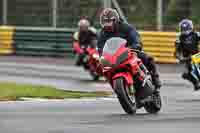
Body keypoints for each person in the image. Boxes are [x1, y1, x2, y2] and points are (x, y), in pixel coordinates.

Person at [97, 8, 161, 90]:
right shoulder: (102, 33)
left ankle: (155, 78)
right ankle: (115, 85)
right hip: (113, 56)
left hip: (129, 51)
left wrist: (136, 45)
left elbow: (135, 37)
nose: (107, 25)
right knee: (102, 68)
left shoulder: (126, 27)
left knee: (148, 58)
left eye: (109, 22)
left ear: (115, 21)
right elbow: (100, 47)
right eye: (105, 22)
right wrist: (101, 57)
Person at [175, 19, 200, 90]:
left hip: (197, 55)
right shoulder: (179, 39)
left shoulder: (196, 34)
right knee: (185, 74)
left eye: (186, 30)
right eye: (183, 30)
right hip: (187, 58)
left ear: (191, 28)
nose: (185, 31)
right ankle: (196, 83)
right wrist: (179, 57)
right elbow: (177, 51)